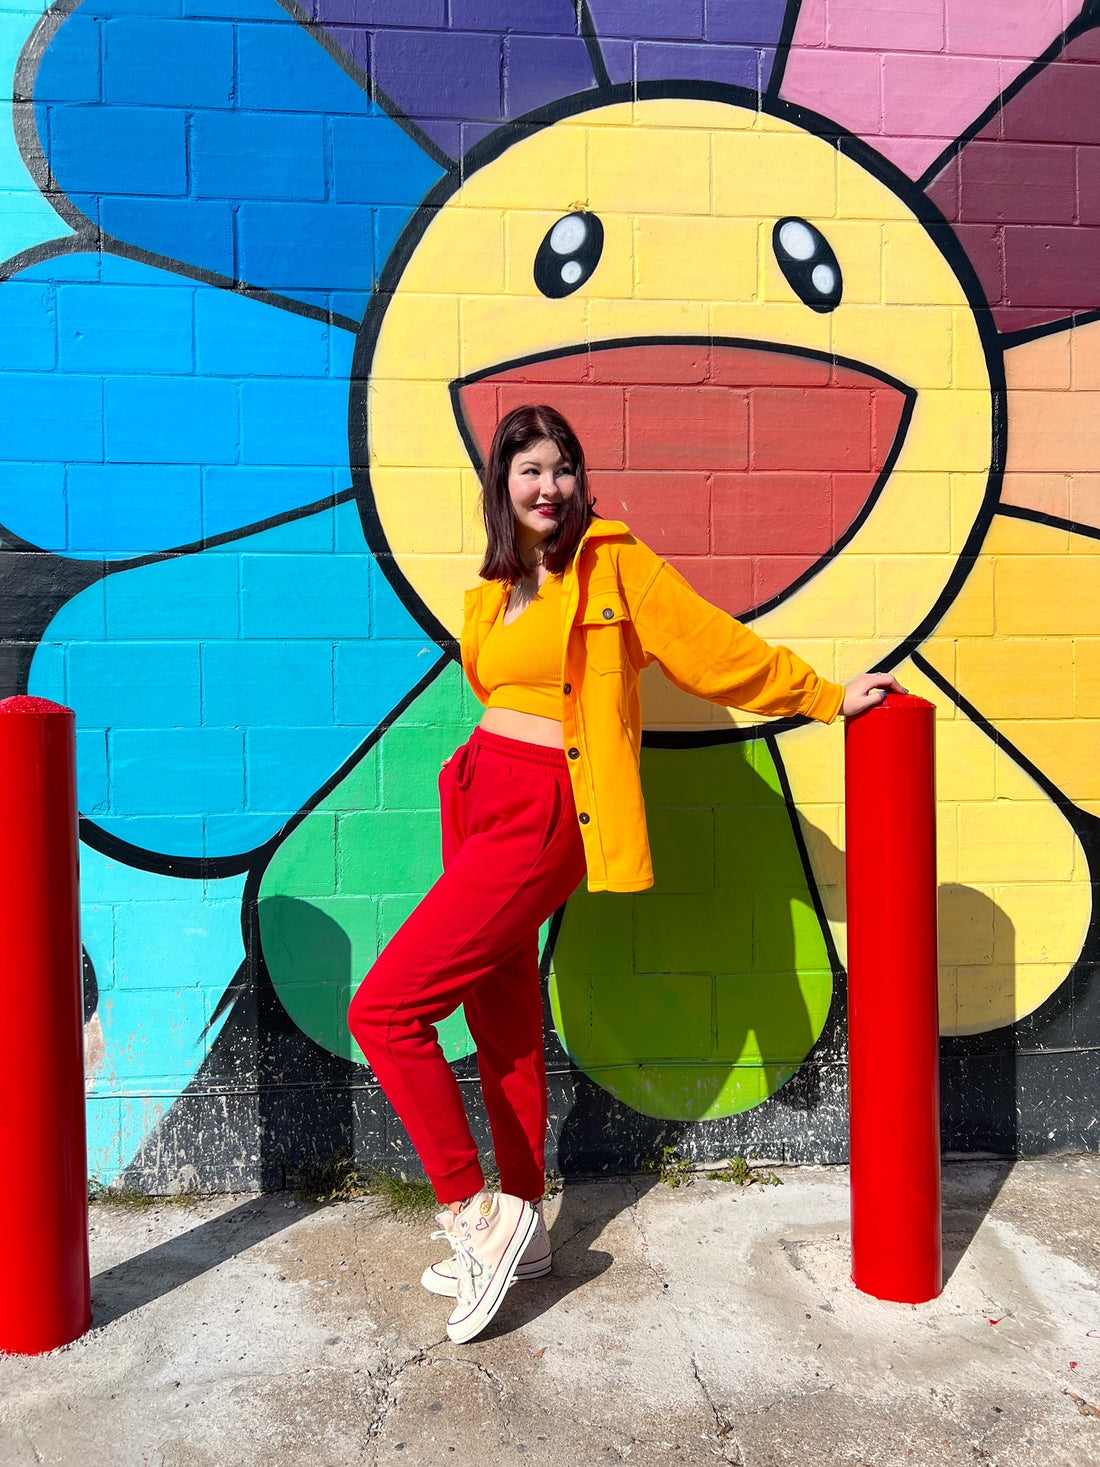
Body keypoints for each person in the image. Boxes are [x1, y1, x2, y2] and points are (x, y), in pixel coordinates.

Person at [348, 404, 902, 1344]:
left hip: (545, 807)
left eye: (562, 469)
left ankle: (476, 1214)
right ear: (502, 482)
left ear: (579, 481)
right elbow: (499, 688)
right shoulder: (494, 583)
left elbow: (710, 645)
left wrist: (824, 696)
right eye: (529, 470)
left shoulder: (615, 563)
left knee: (385, 1010)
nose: (548, 487)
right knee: (502, 1019)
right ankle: (524, 1222)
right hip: (480, 793)